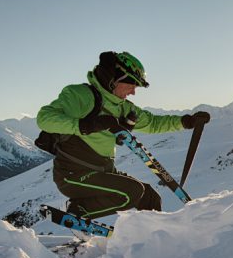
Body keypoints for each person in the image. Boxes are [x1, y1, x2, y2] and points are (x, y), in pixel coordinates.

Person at [37, 51, 210, 219]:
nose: (133, 92)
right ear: (114, 79)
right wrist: (86, 125)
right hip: (73, 175)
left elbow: (153, 123)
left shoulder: (123, 107)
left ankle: (151, 236)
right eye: (131, 84)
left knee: (149, 197)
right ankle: (79, 211)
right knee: (132, 192)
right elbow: (45, 118)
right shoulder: (82, 96)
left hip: (102, 171)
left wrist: (187, 121)